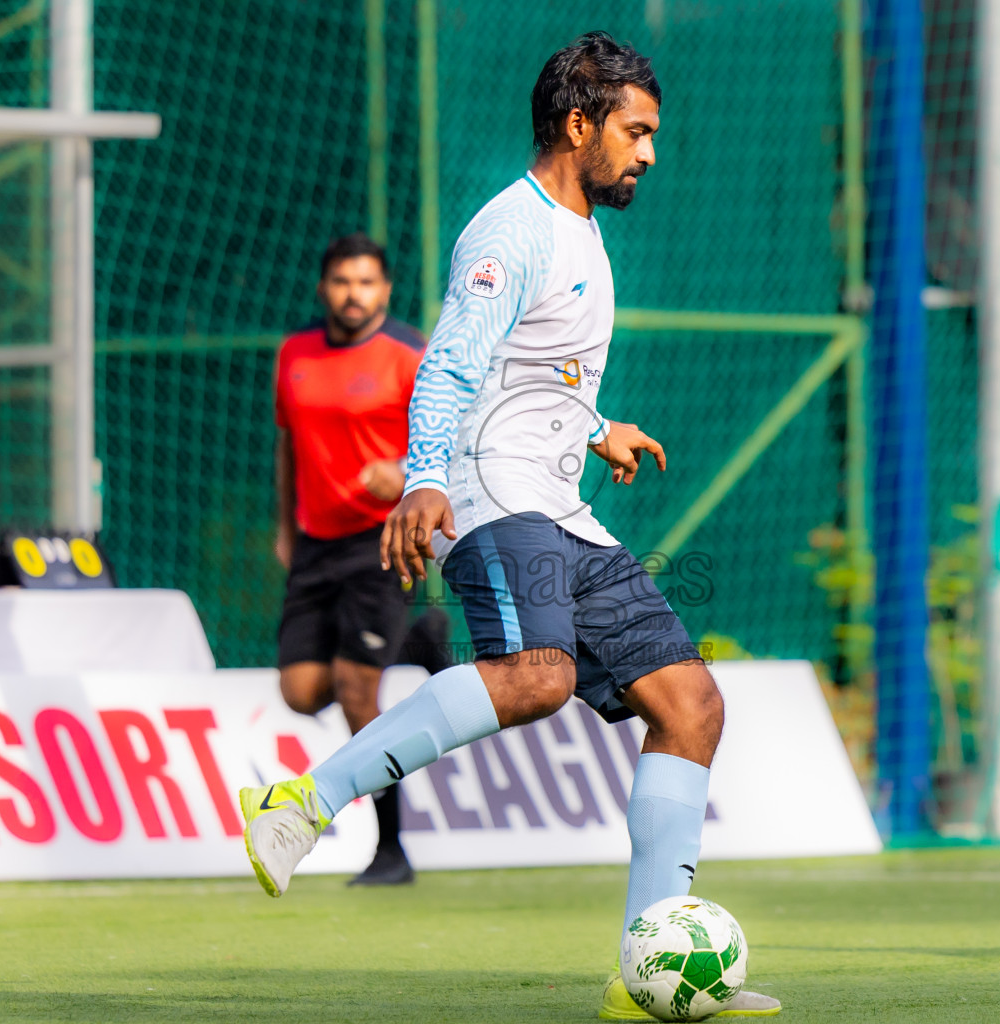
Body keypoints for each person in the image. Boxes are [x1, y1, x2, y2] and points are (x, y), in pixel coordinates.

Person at [243, 33, 780, 1017]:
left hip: (559, 499)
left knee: (692, 706)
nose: (649, 153)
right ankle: (303, 802)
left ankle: (646, 973)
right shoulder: (511, 230)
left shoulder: (581, 232)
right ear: (580, 125)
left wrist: (595, 425)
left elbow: (528, 372)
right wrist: (423, 480)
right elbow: (450, 363)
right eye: (637, 131)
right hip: (492, 495)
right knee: (541, 674)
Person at [271, 232, 449, 887]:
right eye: (342, 281)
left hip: (384, 537)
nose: (354, 293)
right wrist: (284, 526)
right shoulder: (294, 352)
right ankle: (418, 639)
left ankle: (392, 850)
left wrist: (404, 473)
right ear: (324, 288)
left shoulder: (410, 353)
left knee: (355, 693)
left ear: (386, 289)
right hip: (314, 544)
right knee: (301, 693)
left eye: (366, 282)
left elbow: (452, 440)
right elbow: (287, 445)